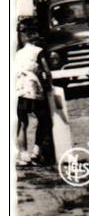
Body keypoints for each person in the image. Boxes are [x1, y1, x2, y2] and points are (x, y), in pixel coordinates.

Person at [15, 22, 49, 166]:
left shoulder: (18, 54)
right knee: (44, 119)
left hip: (18, 88)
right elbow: (46, 70)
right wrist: (49, 84)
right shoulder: (38, 51)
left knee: (22, 122)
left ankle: (24, 154)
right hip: (32, 88)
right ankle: (36, 149)